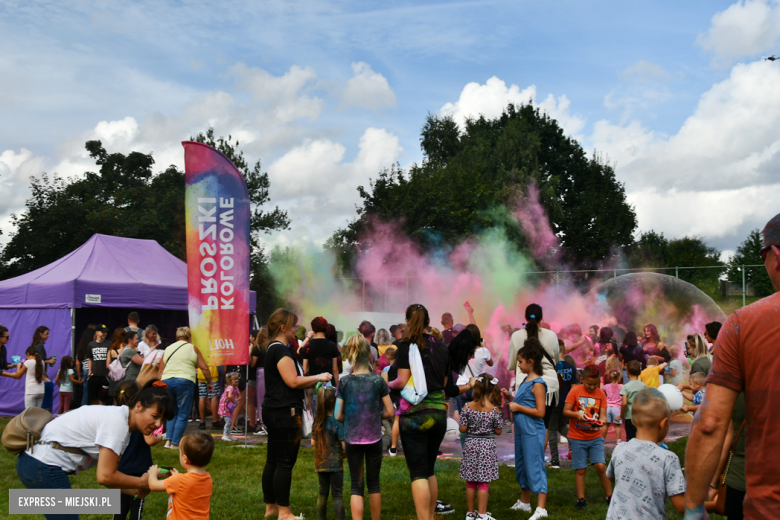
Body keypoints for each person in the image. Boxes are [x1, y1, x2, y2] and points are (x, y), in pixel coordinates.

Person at [685, 213, 780, 520]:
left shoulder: (745, 324)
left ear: (775, 255)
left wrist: (694, 507)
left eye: (762, 255)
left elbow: (710, 423)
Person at [16, 379, 174, 497]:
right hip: (42, 464)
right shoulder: (117, 424)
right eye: (154, 416)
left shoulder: (122, 423)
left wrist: (133, 490)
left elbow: (109, 476)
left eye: (163, 420)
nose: (158, 424)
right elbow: (105, 476)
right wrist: (141, 482)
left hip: (35, 463)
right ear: (138, 406)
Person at [262, 308, 332, 520]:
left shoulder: (273, 348)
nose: (296, 329)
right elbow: (292, 380)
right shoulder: (281, 350)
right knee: (284, 463)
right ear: (282, 327)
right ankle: (284, 513)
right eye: (293, 325)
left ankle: (271, 508)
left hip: (274, 410)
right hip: (285, 412)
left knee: (273, 461)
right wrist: (319, 377)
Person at [387, 304, 451, 520]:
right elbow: (445, 383)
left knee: (418, 473)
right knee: (429, 468)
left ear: (407, 321)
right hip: (438, 413)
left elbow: (402, 381)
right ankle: (431, 516)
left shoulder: (406, 346)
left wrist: (387, 383)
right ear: (428, 320)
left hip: (414, 415)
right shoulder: (442, 347)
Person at [335, 338, 394, 520]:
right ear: (369, 355)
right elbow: (390, 411)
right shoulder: (378, 380)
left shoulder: (344, 382)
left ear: (351, 357)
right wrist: (376, 416)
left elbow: (337, 415)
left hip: (352, 438)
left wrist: (352, 418)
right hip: (374, 437)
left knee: (356, 485)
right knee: (374, 484)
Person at [606, 388, 685, 519]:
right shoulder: (668, 459)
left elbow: (611, 477)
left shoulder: (619, 449)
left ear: (633, 420)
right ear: (664, 423)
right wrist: (714, 505)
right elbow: (681, 505)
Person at [508, 304, 560, 463]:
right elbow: (556, 361)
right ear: (541, 317)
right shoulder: (551, 335)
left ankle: (527, 460)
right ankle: (537, 460)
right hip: (549, 385)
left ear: (526, 317)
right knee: (543, 425)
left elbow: (512, 364)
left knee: (524, 424)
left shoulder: (516, 336)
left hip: (525, 385)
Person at [503, 337, 548, 520]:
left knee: (535, 466)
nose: (518, 365)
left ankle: (541, 508)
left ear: (531, 362)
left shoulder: (538, 384)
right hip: (522, 432)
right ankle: (525, 503)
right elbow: (519, 403)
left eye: (520, 362)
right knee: (522, 466)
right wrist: (510, 398)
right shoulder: (525, 381)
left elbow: (540, 412)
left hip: (533, 431)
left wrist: (518, 407)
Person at [113, 380, 167, 520]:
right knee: (136, 507)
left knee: (119, 508)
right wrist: (160, 437)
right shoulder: (141, 422)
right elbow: (149, 440)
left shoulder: (118, 422)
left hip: (121, 470)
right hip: (139, 470)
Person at [563, 364, 611, 511]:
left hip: (595, 437)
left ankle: (610, 496)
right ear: (582, 379)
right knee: (581, 469)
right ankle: (581, 499)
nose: (592, 387)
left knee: (601, 466)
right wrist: (577, 415)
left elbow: (603, 414)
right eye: (589, 384)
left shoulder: (601, 394)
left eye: (595, 384)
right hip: (577, 437)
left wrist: (601, 422)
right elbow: (566, 411)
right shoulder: (575, 391)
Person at [159, 327, 213, 449]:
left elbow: (161, 369)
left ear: (177, 337)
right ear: (189, 337)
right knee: (183, 413)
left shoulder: (168, 349)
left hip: (167, 380)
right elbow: (204, 367)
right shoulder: (193, 348)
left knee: (172, 413)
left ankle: (168, 441)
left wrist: (160, 384)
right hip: (184, 380)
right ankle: (175, 443)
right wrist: (209, 382)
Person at [459, 374, 503, 520]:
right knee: (483, 482)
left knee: (471, 480)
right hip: (487, 446)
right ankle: (482, 515)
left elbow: (463, 429)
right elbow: (498, 431)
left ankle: (470, 513)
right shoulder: (494, 410)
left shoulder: (467, 407)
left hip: (471, 444)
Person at [148, 431, 214, 520]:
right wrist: (177, 477)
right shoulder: (208, 479)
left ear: (185, 459)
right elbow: (188, 488)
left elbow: (153, 486)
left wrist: (152, 474)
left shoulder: (178, 480)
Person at [314, 385, 346, 520]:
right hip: (336, 465)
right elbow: (344, 444)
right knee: (337, 495)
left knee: (322, 493)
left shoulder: (317, 422)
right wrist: (345, 453)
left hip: (321, 463)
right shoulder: (337, 423)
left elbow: (312, 442)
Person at [549, 352, 577, 469]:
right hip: (566, 403)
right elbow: (574, 388)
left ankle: (555, 461)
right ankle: (578, 447)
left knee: (552, 431)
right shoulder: (571, 367)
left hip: (553, 402)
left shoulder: (551, 366)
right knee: (561, 427)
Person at [304, 317, 340, 389]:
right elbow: (335, 369)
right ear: (326, 328)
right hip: (328, 385)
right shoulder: (332, 345)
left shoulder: (307, 346)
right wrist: (336, 386)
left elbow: (304, 370)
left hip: (312, 384)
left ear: (313, 328)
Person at [620, 361, 646, 441]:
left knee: (630, 438)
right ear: (639, 372)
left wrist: (621, 415)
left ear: (627, 372)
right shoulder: (643, 385)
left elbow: (624, 403)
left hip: (629, 416)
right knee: (642, 437)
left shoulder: (625, 387)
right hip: (641, 416)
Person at [31, 325, 55, 411]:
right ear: (41, 334)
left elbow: (40, 359)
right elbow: (38, 361)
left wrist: (47, 359)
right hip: (42, 373)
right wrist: (49, 361)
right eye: (47, 334)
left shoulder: (36, 345)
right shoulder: (40, 346)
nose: (48, 335)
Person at [88, 324, 112, 405]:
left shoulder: (109, 344)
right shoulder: (91, 344)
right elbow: (90, 359)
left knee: (103, 398)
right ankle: (94, 415)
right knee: (93, 397)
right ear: (97, 332)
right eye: (103, 332)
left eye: (106, 332)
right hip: (94, 375)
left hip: (105, 375)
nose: (105, 333)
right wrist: (89, 372)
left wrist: (110, 371)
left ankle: (102, 415)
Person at [74, 325, 96, 408]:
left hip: (85, 370)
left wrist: (79, 375)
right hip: (93, 371)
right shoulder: (93, 346)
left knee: (85, 395)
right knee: (94, 395)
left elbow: (77, 362)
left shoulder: (81, 347)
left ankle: (82, 412)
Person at [252, 327, 268, 435]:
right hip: (272, 372)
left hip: (261, 372)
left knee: (261, 399)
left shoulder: (258, 348)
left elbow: (252, 364)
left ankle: (263, 424)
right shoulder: (271, 347)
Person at [197, 364, 221, 430]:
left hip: (201, 373)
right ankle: (215, 421)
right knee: (214, 396)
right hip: (212, 373)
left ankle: (202, 422)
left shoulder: (199, 352)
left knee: (202, 397)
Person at [602, 370, 623, 442]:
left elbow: (602, 390)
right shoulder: (621, 387)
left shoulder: (606, 386)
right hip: (616, 408)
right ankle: (618, 441)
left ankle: (603, 439)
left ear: (609, 378)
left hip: (607, 407)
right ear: (619, 378)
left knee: (605, 425)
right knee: (617, 426)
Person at [219, 373, 239, 441]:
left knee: (230, 420)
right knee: (228, 421)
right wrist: (234, 402)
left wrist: (237, 400)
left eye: (237, 378)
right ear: (230, 381)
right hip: (225, 407)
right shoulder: (230, 388)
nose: (237, 380)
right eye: (234, 379)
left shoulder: (236, 388)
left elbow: (239, 396)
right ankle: (225, 435)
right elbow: (230, 396)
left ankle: (228, 435)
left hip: (229, 407)